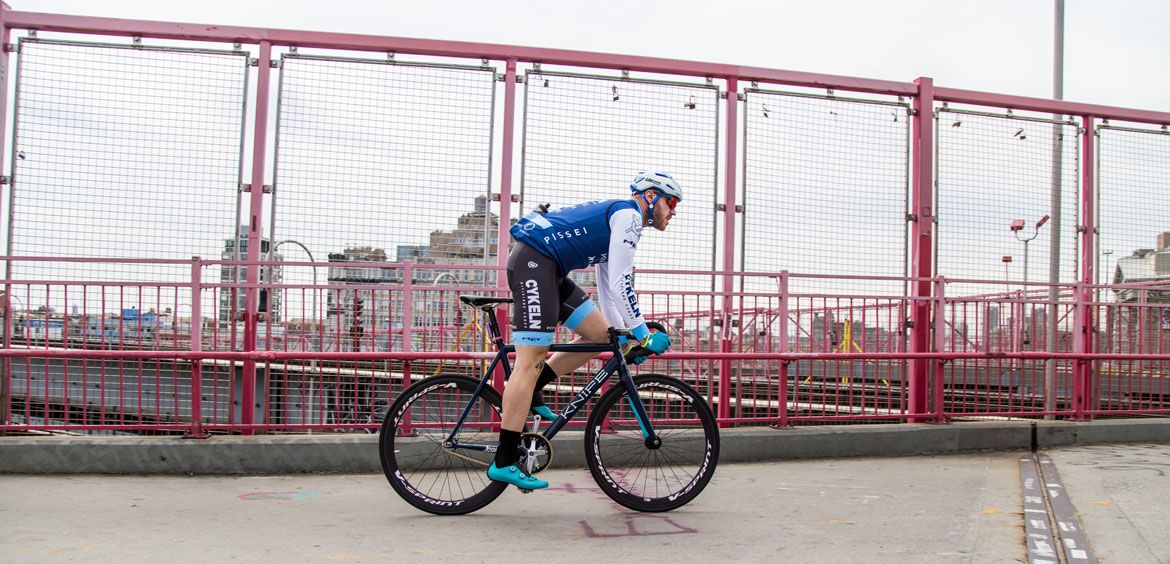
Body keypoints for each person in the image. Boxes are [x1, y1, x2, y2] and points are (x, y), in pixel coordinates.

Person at [487, 171, 680, 490]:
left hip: (549, 268)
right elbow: (622, 283)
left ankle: (535, 389)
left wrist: (624, 332)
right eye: (671, 201)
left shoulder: (622, 221)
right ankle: (505, 460)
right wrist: (644, 334)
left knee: (601, 335)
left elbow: (608, 286)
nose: (674, 210)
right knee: (530, 361)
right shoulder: (629, 216)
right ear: (650, 196)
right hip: (535, 263)